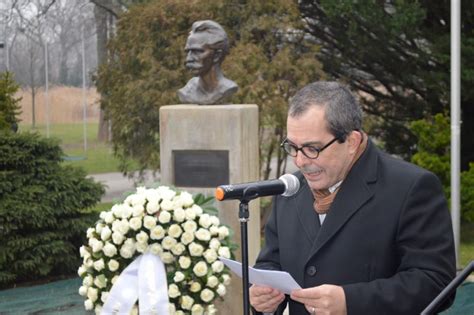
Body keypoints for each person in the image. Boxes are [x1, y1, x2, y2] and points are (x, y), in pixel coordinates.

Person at [249, 81, 456, 315]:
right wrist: (262, 297)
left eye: (312, 148)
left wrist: (350, 301)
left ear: (351, 142)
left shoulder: (412, 187)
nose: (300, 161)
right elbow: (271, 263)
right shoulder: (290, 188)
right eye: (293, 147)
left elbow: (436, 283)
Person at [177, 20, 238, 105]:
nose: (188, 59)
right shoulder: (187, 91)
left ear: (217, 55)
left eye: (197, 51)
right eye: (188, 52)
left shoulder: (227, 87)